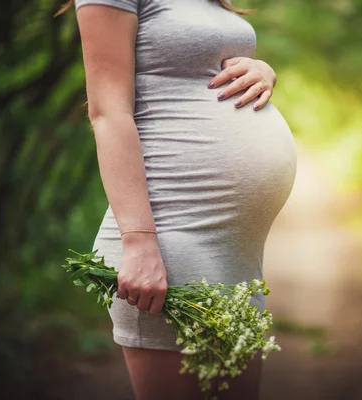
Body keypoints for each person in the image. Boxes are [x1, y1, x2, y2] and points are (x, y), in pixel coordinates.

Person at [59, 0, 297, 398]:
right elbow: (108, 111)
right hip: (172, 234)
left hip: (233, 251)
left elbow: (195, 68)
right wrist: (138, 242)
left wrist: (262, 70)